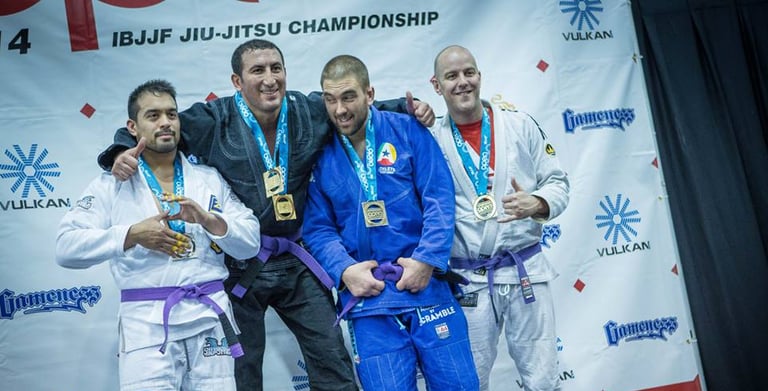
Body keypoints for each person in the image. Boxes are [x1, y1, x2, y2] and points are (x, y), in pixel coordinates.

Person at [97, 39, 435, 391]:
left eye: (276, 68)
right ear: (237, 82)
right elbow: (160, 125)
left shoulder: (308, 110)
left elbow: (359, 107)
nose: (270, 78)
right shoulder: (213, 119)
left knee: (333, 361)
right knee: (241, 373)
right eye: (257, 70)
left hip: (298, 257)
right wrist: (120, 149)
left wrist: (411, 109)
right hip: (240, 266)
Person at [56, 79, 261, 390]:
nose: (165, 122)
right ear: (132, 127)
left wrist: (209, 220)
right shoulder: (111, 184)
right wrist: (132, 234)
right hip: (145, 324)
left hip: (208, 319)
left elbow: (250, 243)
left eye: (172, 114)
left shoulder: (208, 178)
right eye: (153, 116)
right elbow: (66, 247)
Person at [302, 54, 479, 391]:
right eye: (330, 99)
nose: (339, 109)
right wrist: (344, 270)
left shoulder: (408, 130)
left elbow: (438, 199)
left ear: (369, 94)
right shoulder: (319, 153)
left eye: (349, 96)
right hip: (369, 298)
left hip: (426, 287)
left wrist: (427, 260)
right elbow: (317, 228)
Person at [429, 45, 570, 391]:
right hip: (469, 279)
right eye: (452, 76)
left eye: (469, 73)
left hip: (526, 271)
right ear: (436, 85)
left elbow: (559, 183)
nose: (463, 82)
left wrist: (536, 202)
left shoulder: (520, 125)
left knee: (543, 378)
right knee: (468, 380)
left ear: (479, 75)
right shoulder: (432, 140)